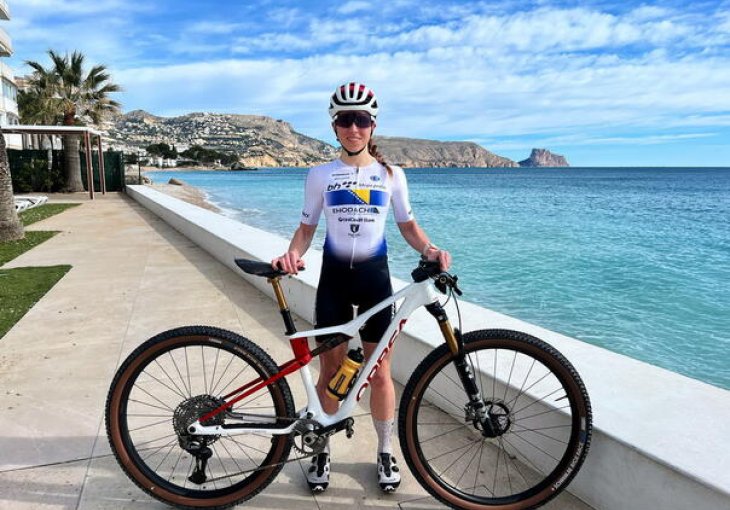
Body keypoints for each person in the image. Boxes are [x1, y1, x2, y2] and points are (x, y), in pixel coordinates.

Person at [272, 82, 451, 494]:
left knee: (380, 373)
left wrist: (429, 249)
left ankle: (385, 450)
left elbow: (407, 225)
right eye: (345, 120)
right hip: (334, 281)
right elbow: (306, 229)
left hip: (375, 282)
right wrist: (291, 254)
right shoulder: (319, 175)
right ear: (334, 126)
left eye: (362, 120)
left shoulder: (392, 175)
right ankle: (321, 449)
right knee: (329, 371)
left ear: (373, 125)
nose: (354, 128)